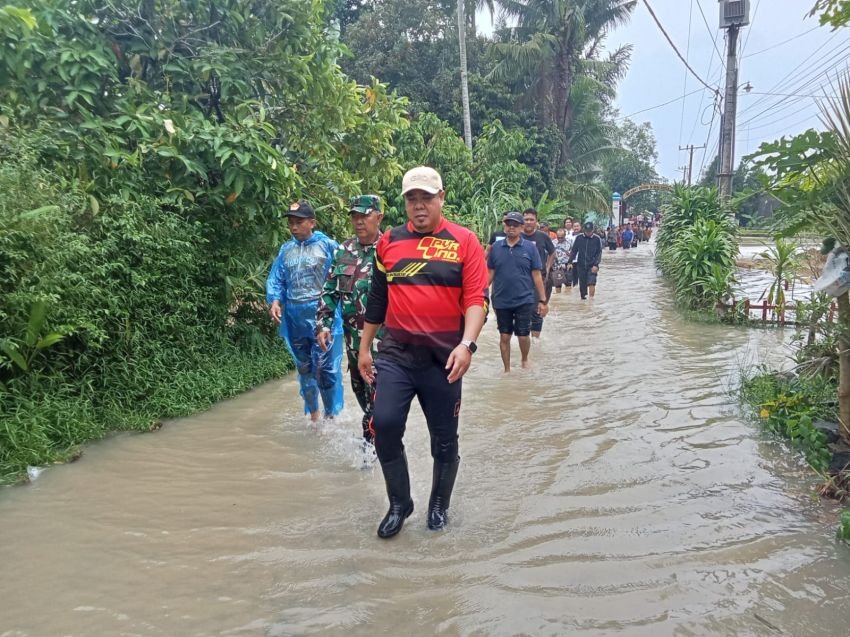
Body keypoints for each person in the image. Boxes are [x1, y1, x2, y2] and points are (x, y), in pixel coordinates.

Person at [358, 166, 488, 539]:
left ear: (441, 198)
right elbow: (378, 299)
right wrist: (364, 348)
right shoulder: (388, 243)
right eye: (412, 199)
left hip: (444, 358)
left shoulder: (465, 242)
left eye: (426, 198)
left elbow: (476, 299)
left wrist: (467, 345)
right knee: (383, 424)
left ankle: (438, 505)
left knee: (444, 438)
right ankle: (400, 503)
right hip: (397, 354)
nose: (419, 206)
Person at [315, 195, 384, 448]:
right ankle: (376, 444)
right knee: (363, 398)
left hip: (384, 345)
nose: (359, 221)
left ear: (379, 217)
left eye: (364, 215)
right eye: (355, 216)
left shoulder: (391, 248)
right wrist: (323, 324)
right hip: (353, 344)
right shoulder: (343, 251)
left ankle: (371, 453)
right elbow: (330, 291)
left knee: (376, 409)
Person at [267, 201, 344, 421]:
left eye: (299, 222)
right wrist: (275, 301)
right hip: (295, 317)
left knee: (324, 369)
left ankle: (331, 417)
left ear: (312, 222)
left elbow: (343, 276)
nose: (294, 227)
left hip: (322, 314)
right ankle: (314, 416)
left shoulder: (328, 246)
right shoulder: (286, 250)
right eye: (291, 222)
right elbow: (277, 278)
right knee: (304, 368)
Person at [488, 211, 548, 372]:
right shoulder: (495, 248)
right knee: (504, 336)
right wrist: (480, 293)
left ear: (521, 228)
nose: (511, 227)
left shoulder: (530, 248)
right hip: (501, 299)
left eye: (515, 225)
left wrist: (543, 300)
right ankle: (507, 369)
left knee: (523, 335)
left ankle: (524, 359)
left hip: (524, 299)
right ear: (504, 226)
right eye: (509, 224)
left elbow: (536, 275)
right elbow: (490, 273)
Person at [521, 208, 555, 337]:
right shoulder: (517, 236)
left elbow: (552, 252)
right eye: (526, 219)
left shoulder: (542, 236)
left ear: (536, 221)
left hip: (538, 278)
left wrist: (547, 266)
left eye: (531, 219)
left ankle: (536, 340)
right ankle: (523, 336)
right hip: (521, 278)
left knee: (537, 309)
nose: (528, 222)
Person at [569, 221, 604, 300]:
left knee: (592, 282)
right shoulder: (579, 238)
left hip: (592, 264)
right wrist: (570, 262)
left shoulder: (597, 239)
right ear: (584, 230)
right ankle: (584, 300)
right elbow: (574, 250)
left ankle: (591, 301)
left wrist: (596, 264)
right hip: (581, 265)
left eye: (590, 231)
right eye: (587, 231)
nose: (588, 233)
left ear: (593, 230)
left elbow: (599, 253)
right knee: (582, 286)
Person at [551, 227, 573, 293]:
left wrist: (571, 263)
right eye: (558, 237)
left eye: (562, 237)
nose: (560, 239)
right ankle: (558, 297)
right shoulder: (553, 242)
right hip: (556, 266)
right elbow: (550, 254)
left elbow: (574, 253)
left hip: (567, 265)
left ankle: (567, 297)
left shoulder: (570, 242)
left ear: (565, 235)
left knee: (568, 284)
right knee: (557, 284)